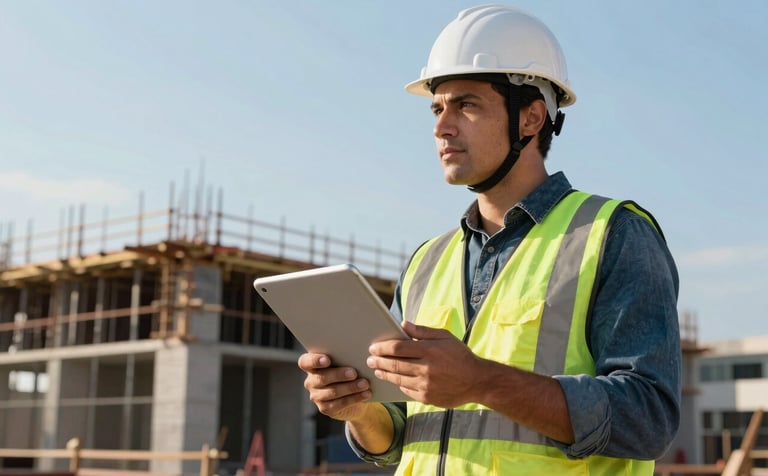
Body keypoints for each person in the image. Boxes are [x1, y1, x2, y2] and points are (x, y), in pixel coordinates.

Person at [298, 4, 681, 475]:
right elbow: (396, 436)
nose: (441, 126)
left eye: (466, 104)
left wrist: (482, 381)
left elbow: (648, 420)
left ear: (531, 118)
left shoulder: (613, 234)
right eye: (437, 107)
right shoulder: (427, 262)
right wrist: (358, 413)